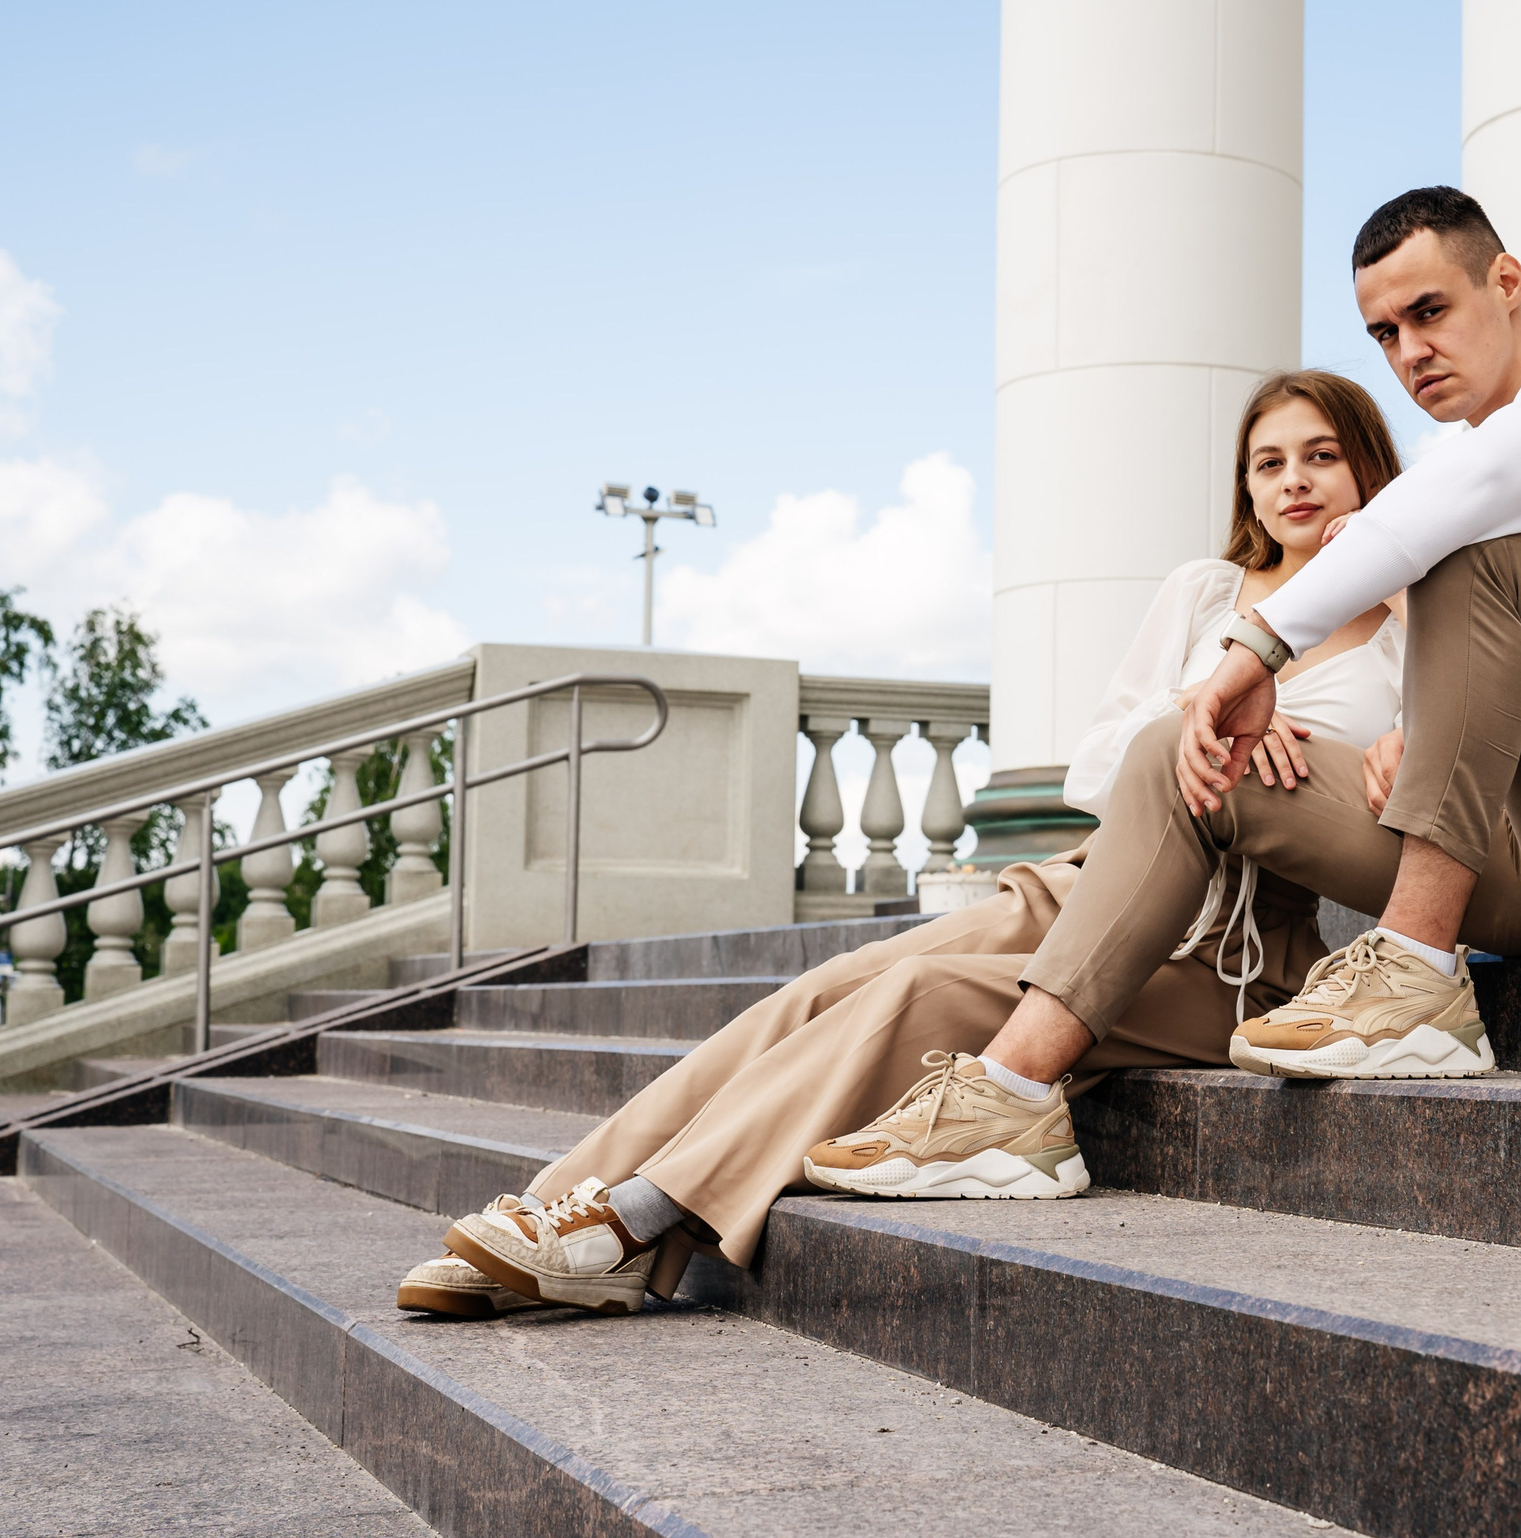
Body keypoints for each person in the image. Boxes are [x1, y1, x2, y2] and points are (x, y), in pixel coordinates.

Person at [765, 184, 1521, 1217]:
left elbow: (1458, 544)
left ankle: (1416, 975)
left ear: (1506, 283)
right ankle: (1012, 1094)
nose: (1409, 351)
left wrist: (1251, 650)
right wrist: (1412, 730)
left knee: (1454, 546)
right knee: (1189, 749)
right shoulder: (1466, 470)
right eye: (1383, 333)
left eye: (1429, 312)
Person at [401, 369, 1410, 1316]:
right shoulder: (1205, 593)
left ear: (1367, 465)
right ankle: (554, 1201)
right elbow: (1094, 765)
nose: (1294, 482)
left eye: (1320, 456)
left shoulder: (1410, 625)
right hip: (1082, 885)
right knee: (824, 984)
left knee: (914, 999)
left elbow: (1411, 804)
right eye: (1268, 461)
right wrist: (1205, 704)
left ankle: (629, 1226)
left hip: (1227, 948)